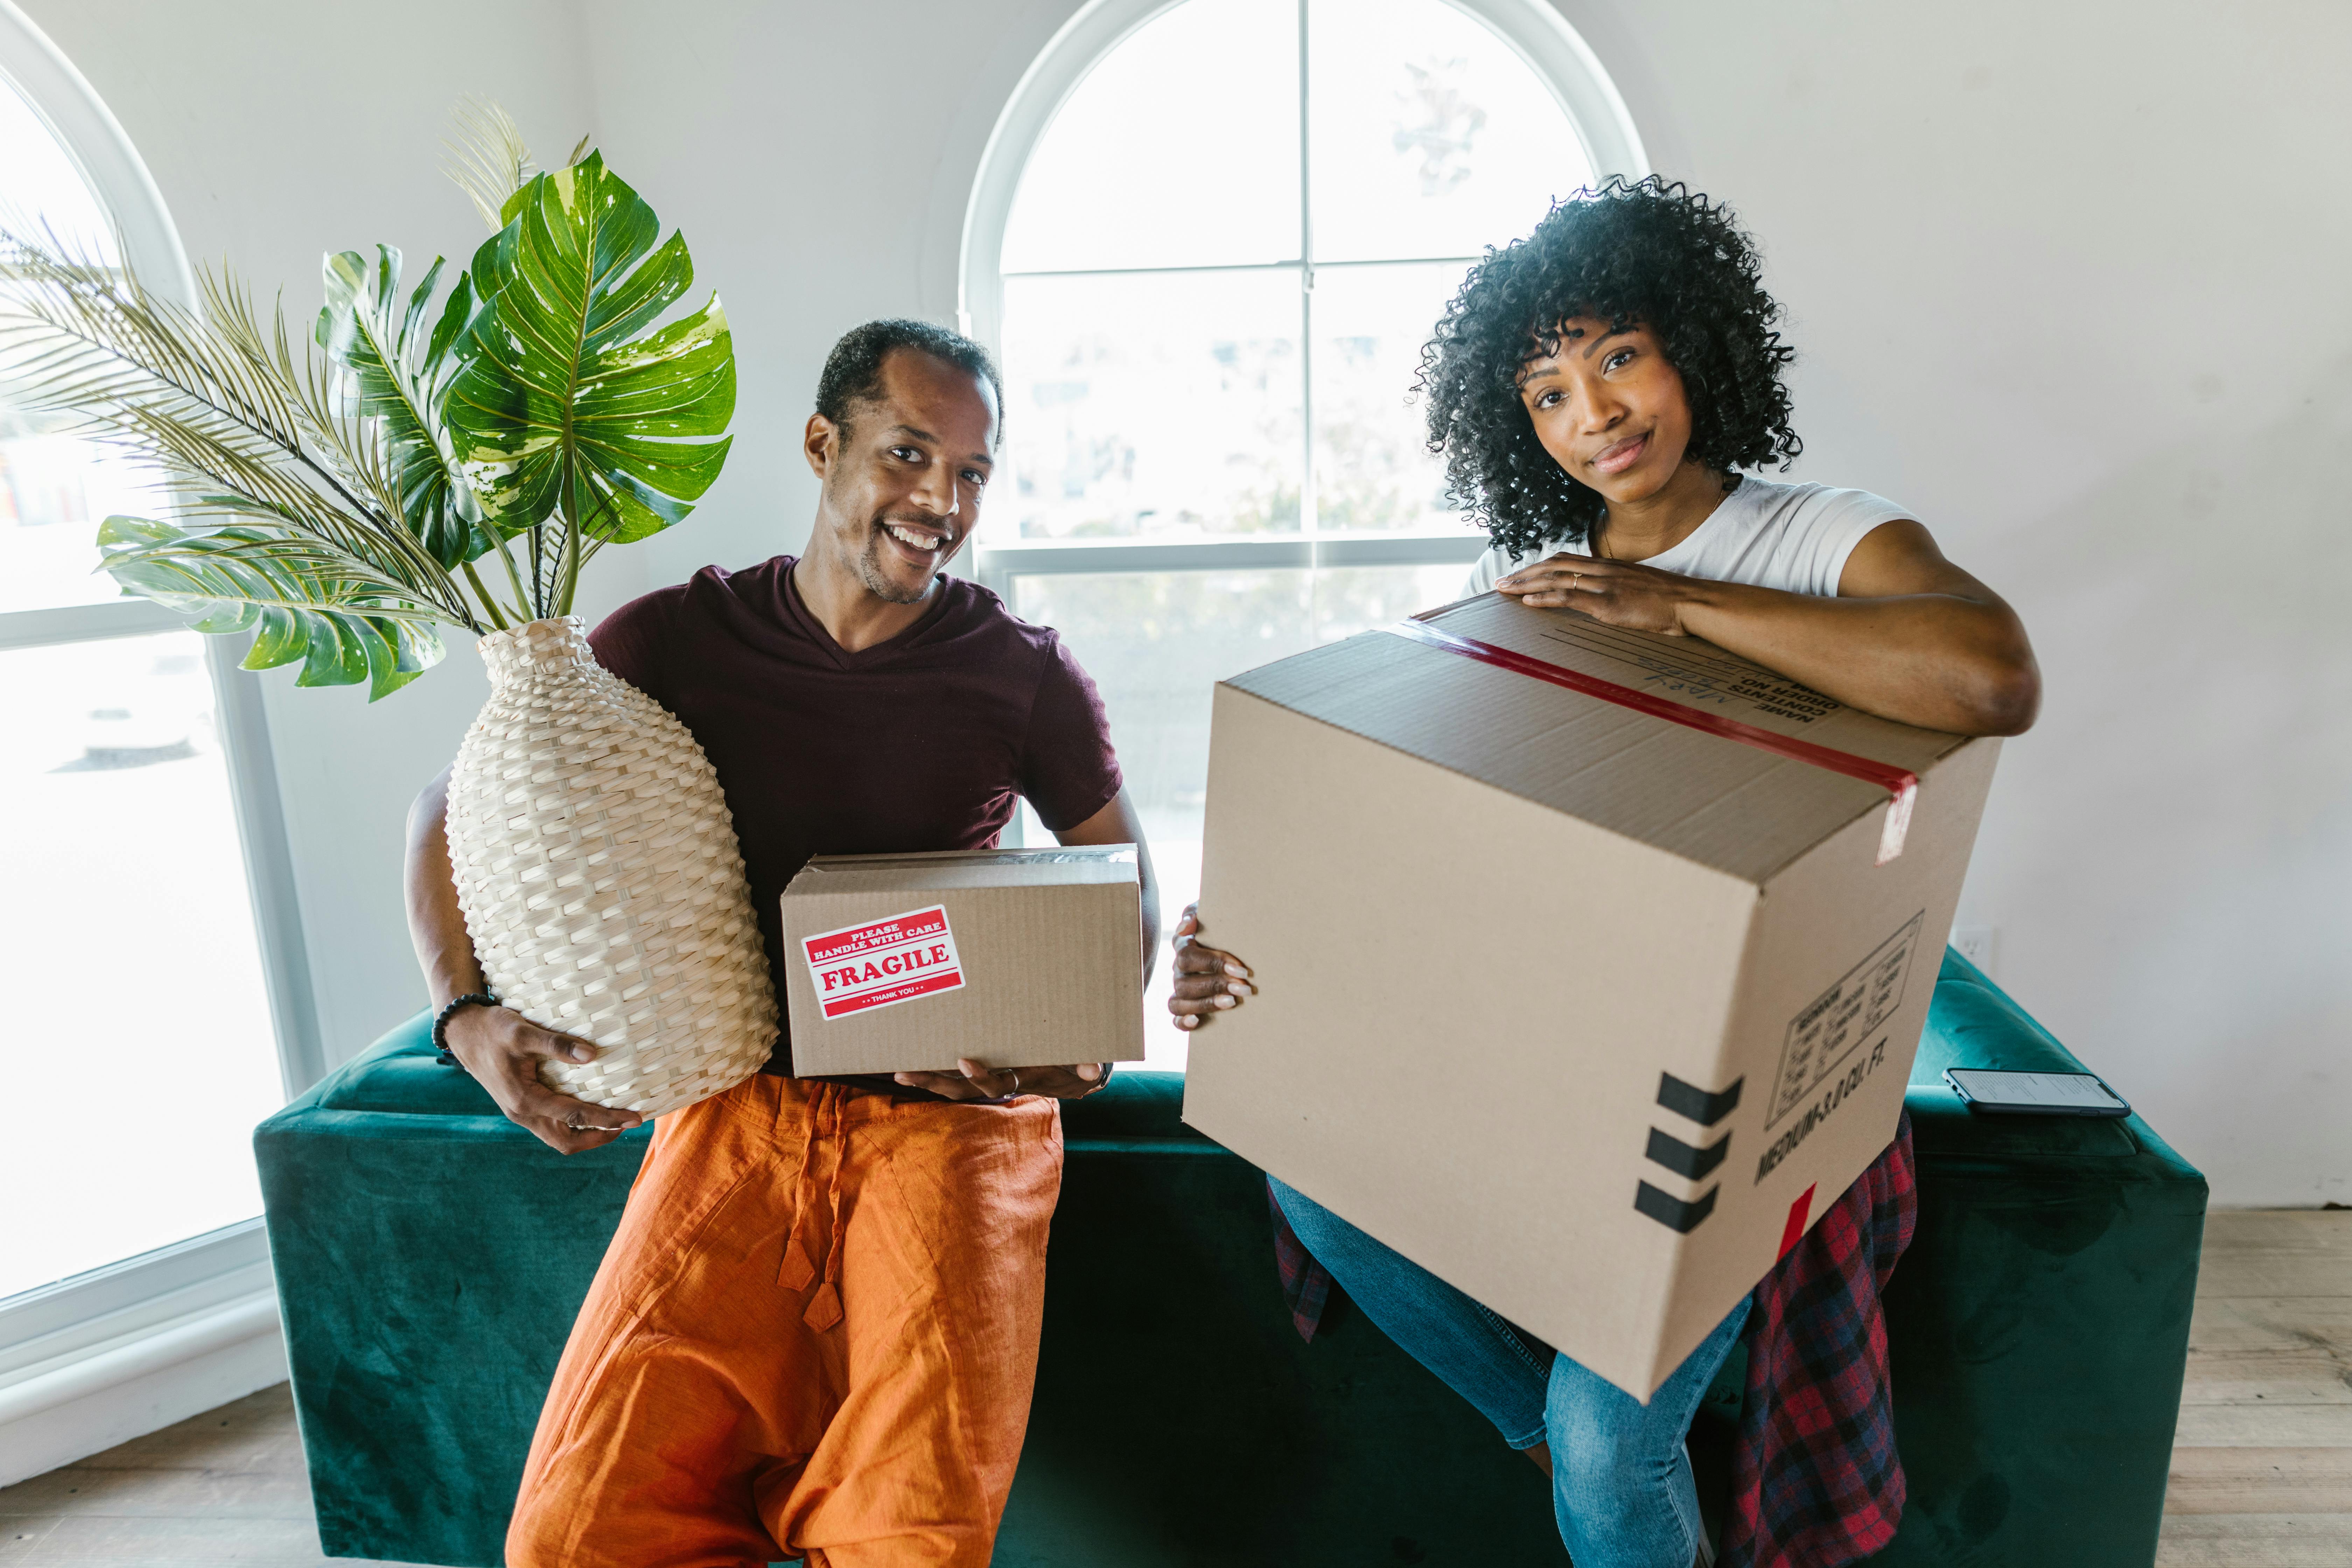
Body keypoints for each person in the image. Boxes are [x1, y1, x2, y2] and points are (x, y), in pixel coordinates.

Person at [1169, 178, 2040, 1568]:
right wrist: (1266, 924)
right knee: (1313, 1188)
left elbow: (1994, 678)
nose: (1596, 414)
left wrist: (1677, 604)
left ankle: (1596, 1469)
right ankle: (1573, 1463)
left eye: (1619, 356)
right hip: (1557, 1044)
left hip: (1736, 1091)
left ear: (1695, 342)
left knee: (1605, 1437)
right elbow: (1445, 839)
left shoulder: (1825, 535)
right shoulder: (1522, 582)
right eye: (1548, 393)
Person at [404, 318, 1159, 1568]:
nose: (942, 502)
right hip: (737, 1112)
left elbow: (1120, 886)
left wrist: (1059, 1049)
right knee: (573, 1536)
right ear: (822, 445)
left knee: (912, 1538)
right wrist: (462, 1015)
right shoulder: (676, 642)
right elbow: (452, 801)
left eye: (971, 473)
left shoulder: (1022, 673)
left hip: (953, 1123)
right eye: (908, 455)